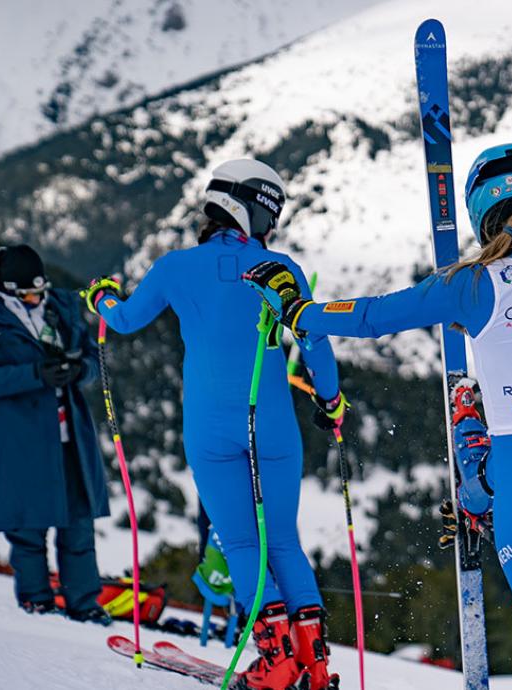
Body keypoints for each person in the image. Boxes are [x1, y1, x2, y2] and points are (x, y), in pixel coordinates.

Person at [240, 143, 512, 690]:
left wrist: (298, 311)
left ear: (481, 213)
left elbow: (373, 317)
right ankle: (479, 479)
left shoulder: (473, 283)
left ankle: (474, 482)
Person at [83, 159, 346, 690]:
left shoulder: (175, 267)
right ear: (255, 212)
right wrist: (332, 401)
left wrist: (101, 296)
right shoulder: (282, 269)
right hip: (274, 426)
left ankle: (275, 662)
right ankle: (313, 664)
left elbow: (125, 319)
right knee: (283, 542)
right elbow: (315, 341)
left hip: (209, 427)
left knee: (241, 543)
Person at [0, 245, 113, 625]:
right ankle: (36, 600)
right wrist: (35, 375)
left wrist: (79, 371)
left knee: (78, 524)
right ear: (8, 291)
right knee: (27, 527)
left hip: (68, 437)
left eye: (40, 291)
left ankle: (84, 602)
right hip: (18, 442)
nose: (36, 299)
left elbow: (93, 357)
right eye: (27, 295)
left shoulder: (59, 308)